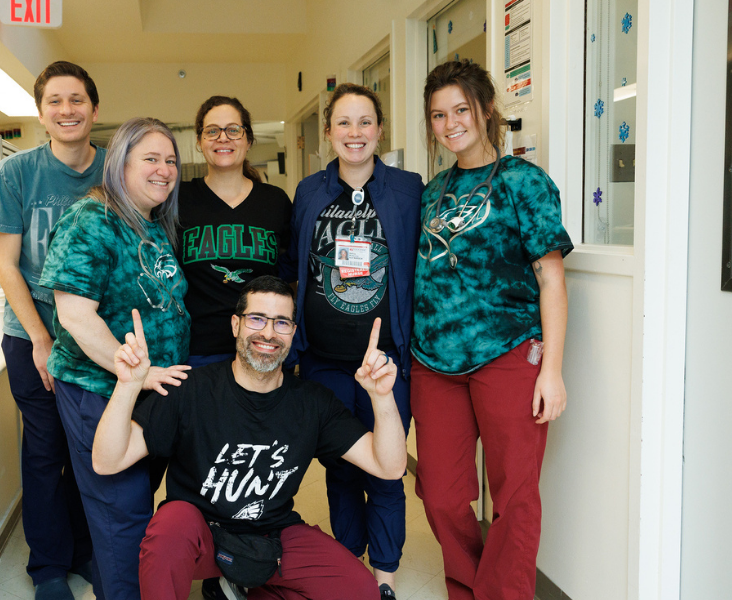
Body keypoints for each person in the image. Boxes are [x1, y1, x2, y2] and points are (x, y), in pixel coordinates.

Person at [90, 275, 407, 600]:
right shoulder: (190, 390)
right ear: (235, 325)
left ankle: (243, 586)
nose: (268, 333)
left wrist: (382, 398)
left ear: (293, 333)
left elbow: (389, 467)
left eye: (281, 323)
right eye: (257, 319)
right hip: (200, 533)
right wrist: (127, 385)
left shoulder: (313, 402)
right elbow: (107, 460)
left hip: (273, 533)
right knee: (169, 526)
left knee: (360, 591)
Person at [411, 60, 574, 600]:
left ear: (485, 110)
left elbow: (551, 278)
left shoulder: (524, 182)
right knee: (440, 494)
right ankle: (468, 587)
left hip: (508, 354)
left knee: (515, 495)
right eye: (439, 114)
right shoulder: (432, 192)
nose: (450, 123)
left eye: (461, 110)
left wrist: (551, 369)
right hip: (434, 363)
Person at [38, 117, 191, 600]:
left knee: (130, 512)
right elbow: (76, 316)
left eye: (170, 160)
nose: (164, 169)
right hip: (100, 392)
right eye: (150, 158)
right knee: (121, 520)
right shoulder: (92, 219)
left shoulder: (147, 221)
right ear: (119, 163)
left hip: (146, 390)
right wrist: (140, 375)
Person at [279, 83, 422, 598]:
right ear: (328, 132)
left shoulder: (408, 189)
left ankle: (383, 577)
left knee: (386, 471)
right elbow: (296, 268)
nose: (355, 133)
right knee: (339, 466)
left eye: (365, 122)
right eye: (344, 122)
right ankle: (349, 563)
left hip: (385, 364)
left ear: (380, 129)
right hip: (323, 362)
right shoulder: (309, 192)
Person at [0, 60, 104, 600]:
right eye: (55, 101)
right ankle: (49, 567)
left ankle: (87, 550)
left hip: (96, 338)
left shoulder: (114, 171)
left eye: (76, 99)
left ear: (94, 109)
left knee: (95, 451)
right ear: (40, 113)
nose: (66, 110)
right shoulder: (17, 174)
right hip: (32, 335)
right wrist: (41, 339)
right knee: (45, 450)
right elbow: (6, 264)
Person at [177, 96, 291, 368]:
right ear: (200, 141)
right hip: (198, 349)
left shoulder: (275, 202)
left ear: (248, 139)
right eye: (212, 131)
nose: (222, 138)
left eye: (233, 130)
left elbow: (290, 277)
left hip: (264, 345)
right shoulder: (179, 199)